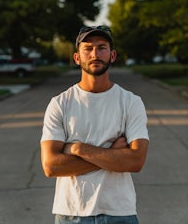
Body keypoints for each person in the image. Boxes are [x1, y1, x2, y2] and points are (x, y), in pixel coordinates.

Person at [40, 25, 149, 224]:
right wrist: (111, 153)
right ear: (77, 58)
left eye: (101, 48)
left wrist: (77, 148)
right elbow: (50, 166)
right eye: (88, 48)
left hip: (119, 212)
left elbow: (135, 161)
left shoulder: (131, 102)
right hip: (71, 214)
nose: (95, 54)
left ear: (112, 55)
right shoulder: (60, 104)